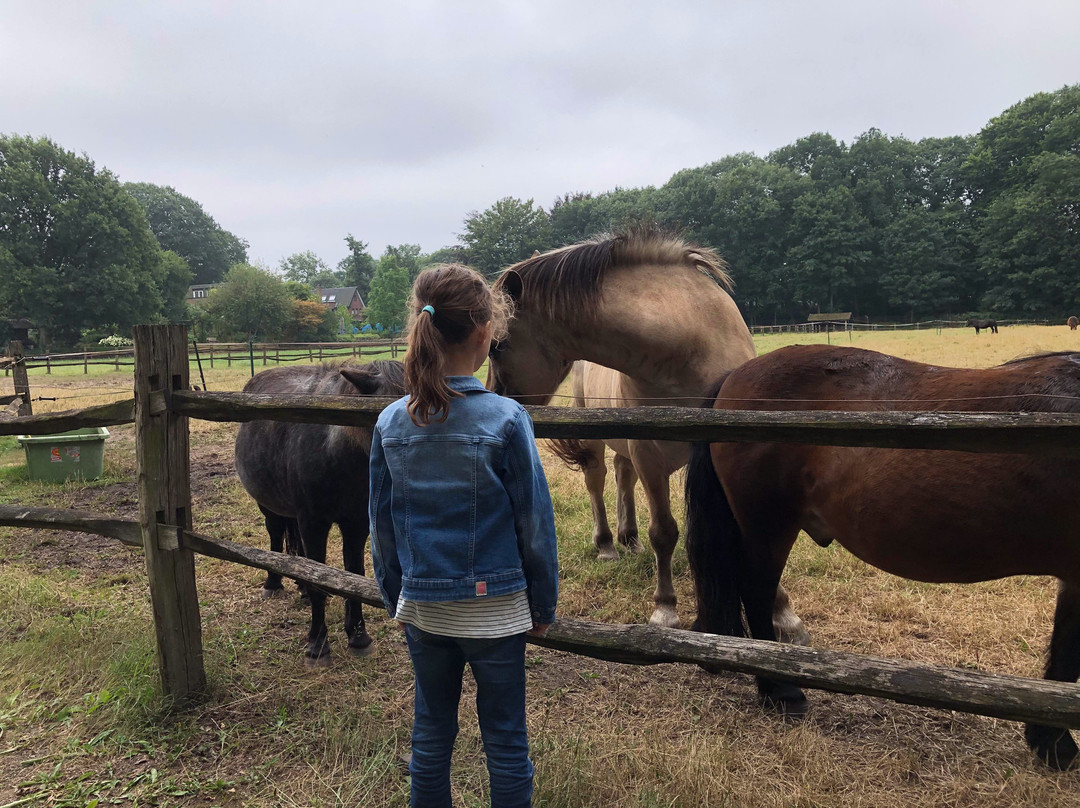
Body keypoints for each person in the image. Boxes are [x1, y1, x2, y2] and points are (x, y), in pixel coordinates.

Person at [368, 264, 559, 808]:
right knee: (505, 739)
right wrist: (542, 602)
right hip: (496, 611)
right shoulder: (507, 418)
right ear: (484, 332)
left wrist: (393, 594)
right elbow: (535, 526)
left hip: (424, 609)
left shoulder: (390, 422)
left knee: (430, 735)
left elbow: (381, 524)